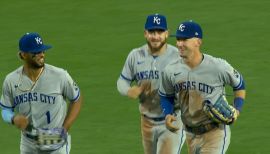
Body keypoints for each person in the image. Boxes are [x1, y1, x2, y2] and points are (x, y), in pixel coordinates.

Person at [159, 20, 246, 154]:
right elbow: (166, 94)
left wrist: (237, 109)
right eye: (178, 39)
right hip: (190, 134)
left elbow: (239, 84)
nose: (179, 44)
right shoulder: (171, 70)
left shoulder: (218, 66)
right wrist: (168, 113)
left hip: (215, 133)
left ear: (198, 42)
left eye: (184, 40)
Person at [0, 32, 82, 154]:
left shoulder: (60, 76)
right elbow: (5, 109)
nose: (41, 54)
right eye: (35, 52)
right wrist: (13, 118)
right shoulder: (11, 80)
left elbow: (76, 99)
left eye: (42, 51)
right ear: (23, 55)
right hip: (28, 143)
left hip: (55, 142)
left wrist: (65, 128)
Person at [117, 14, 185, 154]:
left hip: (173, 119)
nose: (155, 36)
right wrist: (129, 90)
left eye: (160, 32)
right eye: (152, 32)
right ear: (145, 33)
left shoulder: (178, 57)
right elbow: (122, 81)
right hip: (146, 122)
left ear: (167, 33)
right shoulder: (135, 56)